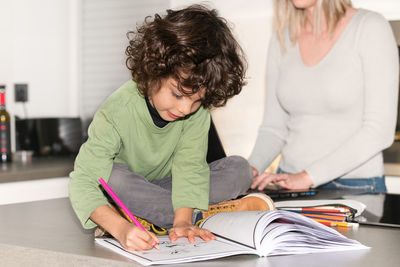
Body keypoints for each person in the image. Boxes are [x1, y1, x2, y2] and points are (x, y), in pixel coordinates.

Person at [69, 5, 275, 252]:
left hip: (170, 187)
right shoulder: (118, 110)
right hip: (129, 190)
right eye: (178, 94)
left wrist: (183, 222)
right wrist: (120, 229)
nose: (187, 108)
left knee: (240, 169)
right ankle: (207, 214)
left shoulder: (196, 112)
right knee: (112, 178)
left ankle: (168, 216)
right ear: (153, 69)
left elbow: (189, 168)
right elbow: (83, 181)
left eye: (197, 99)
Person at [249, 0, 399, 193]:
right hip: (288, 180)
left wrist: (308, 176)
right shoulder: (282, 37)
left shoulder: (370, 27)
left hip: (354, 185)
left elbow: (379, 131)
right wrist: (249, 169)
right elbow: (274, 128)